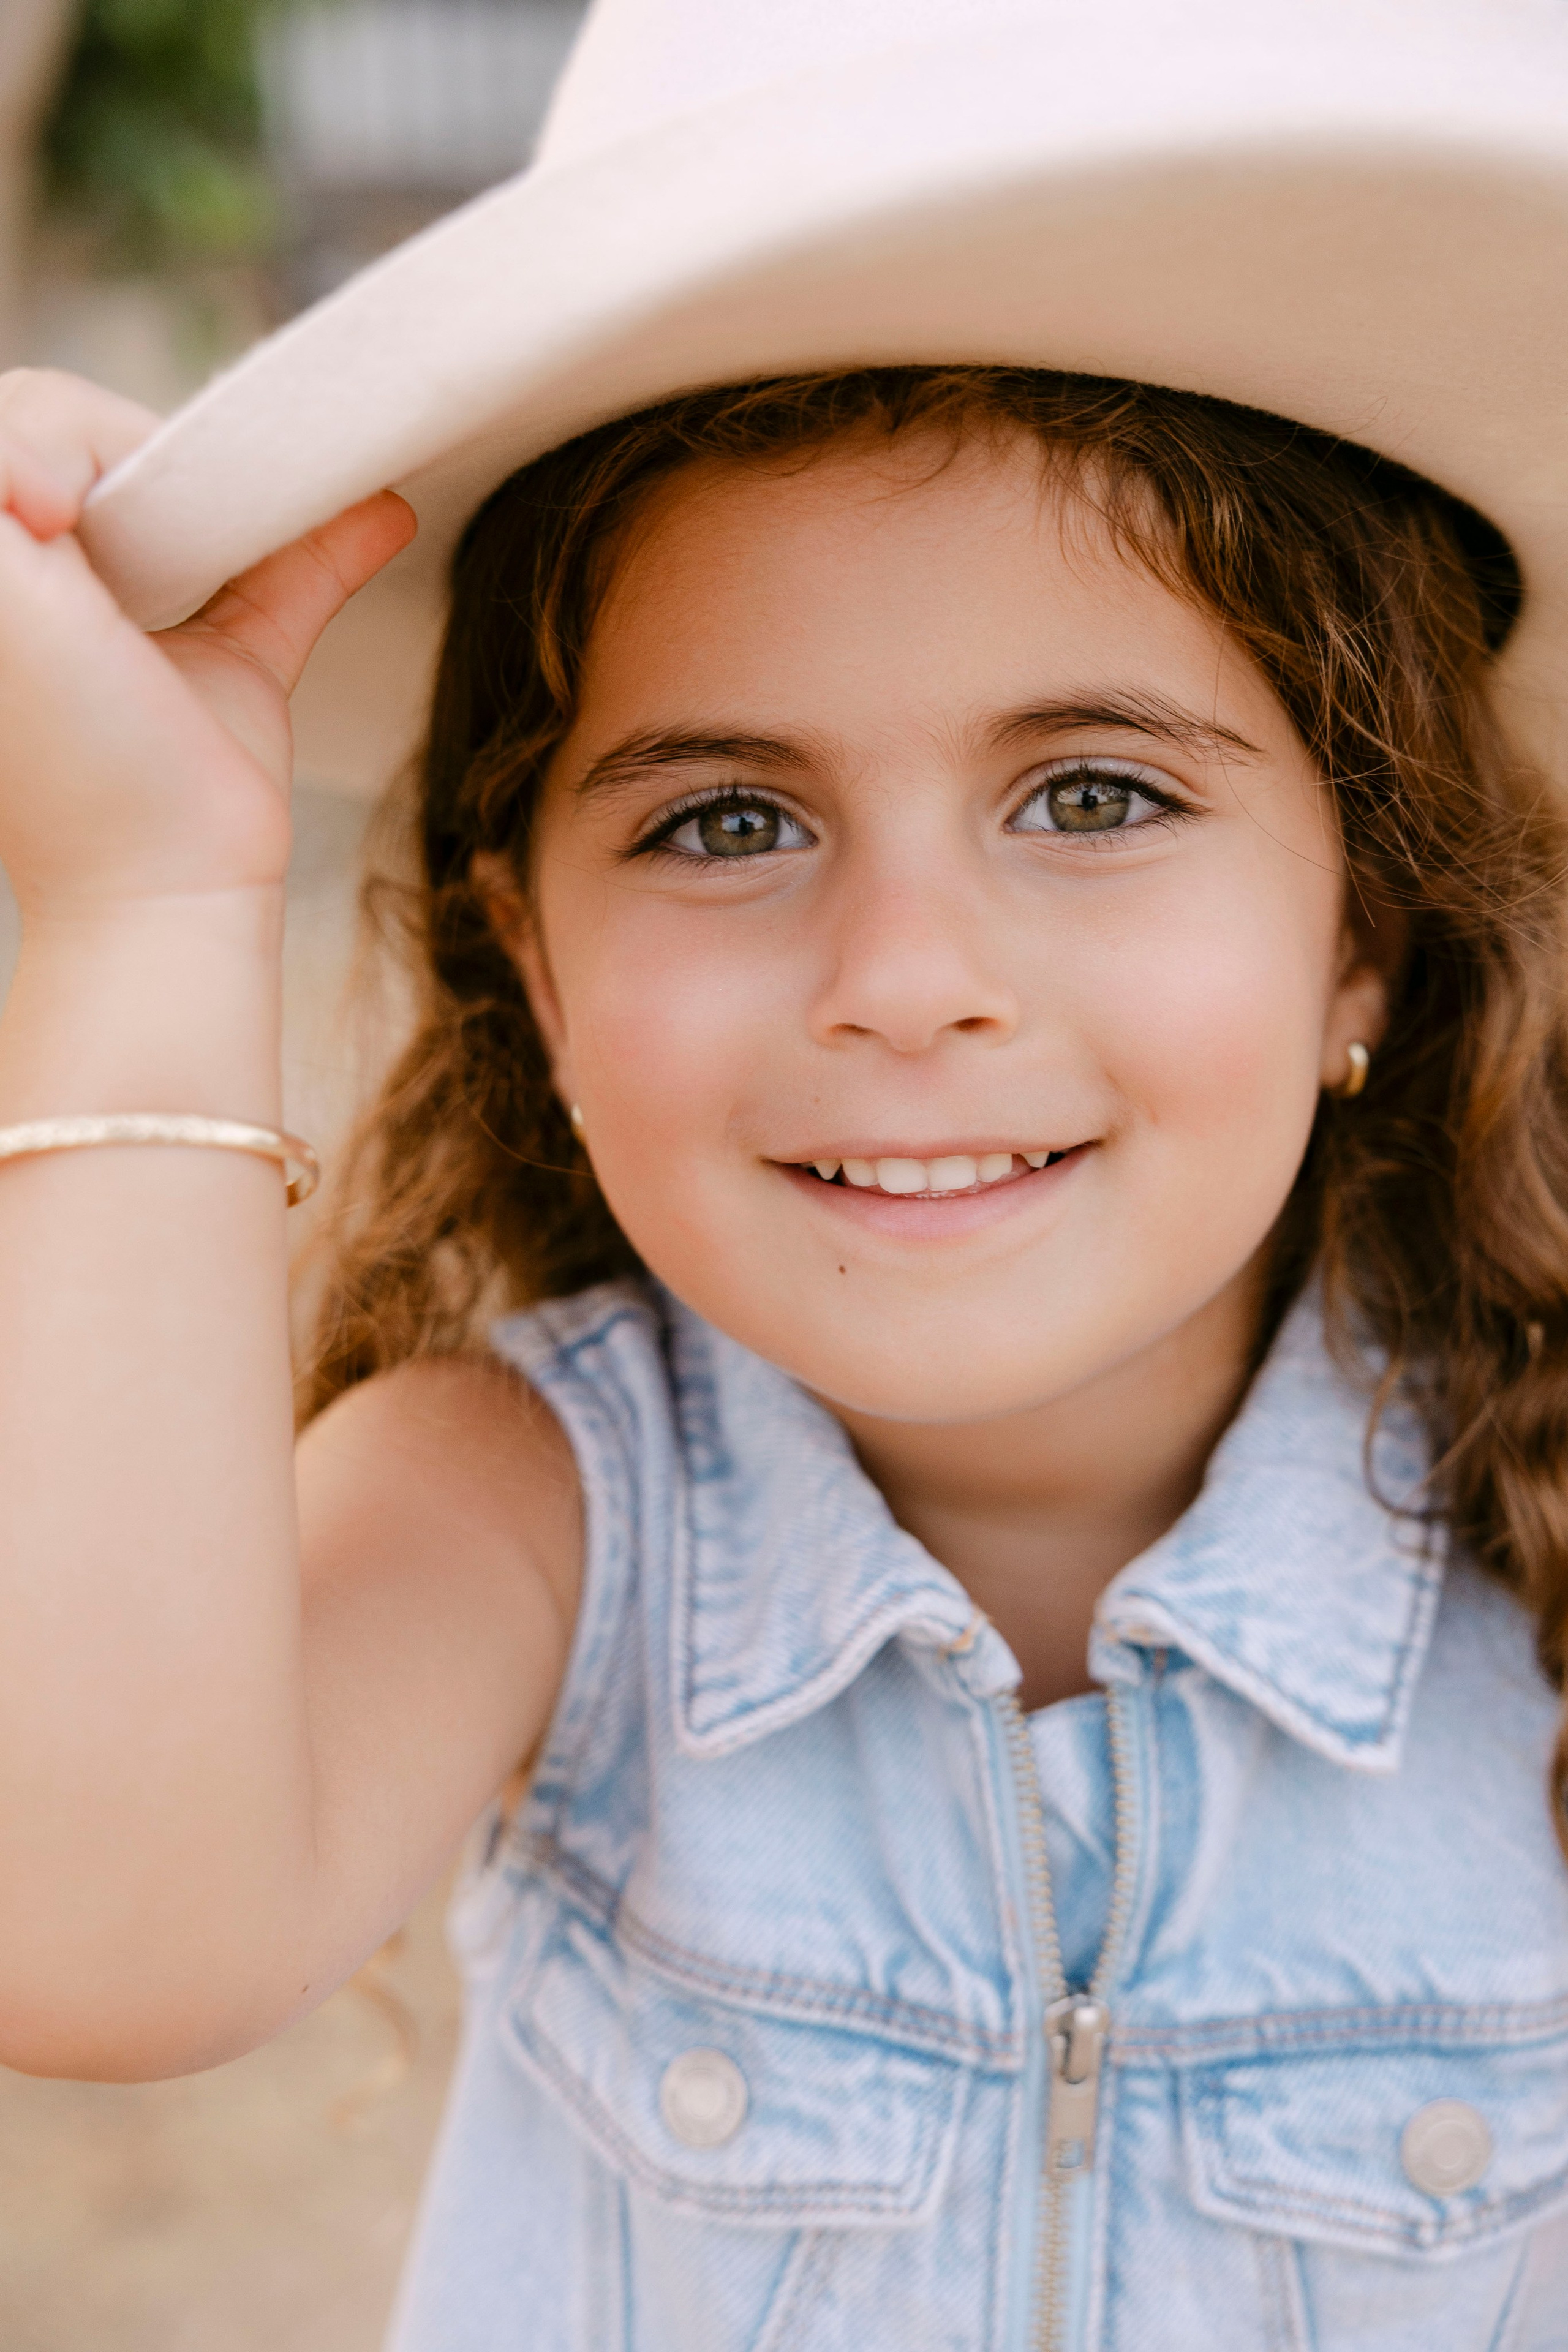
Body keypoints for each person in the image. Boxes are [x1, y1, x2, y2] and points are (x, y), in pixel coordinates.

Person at [2, 7, 1567, 2350]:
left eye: (1096, 797)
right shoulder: (540, 1497)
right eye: (726, 822)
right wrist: (141, 913)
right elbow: (105, 1936)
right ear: (524, 957)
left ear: (1369, 930)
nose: (907, 978)